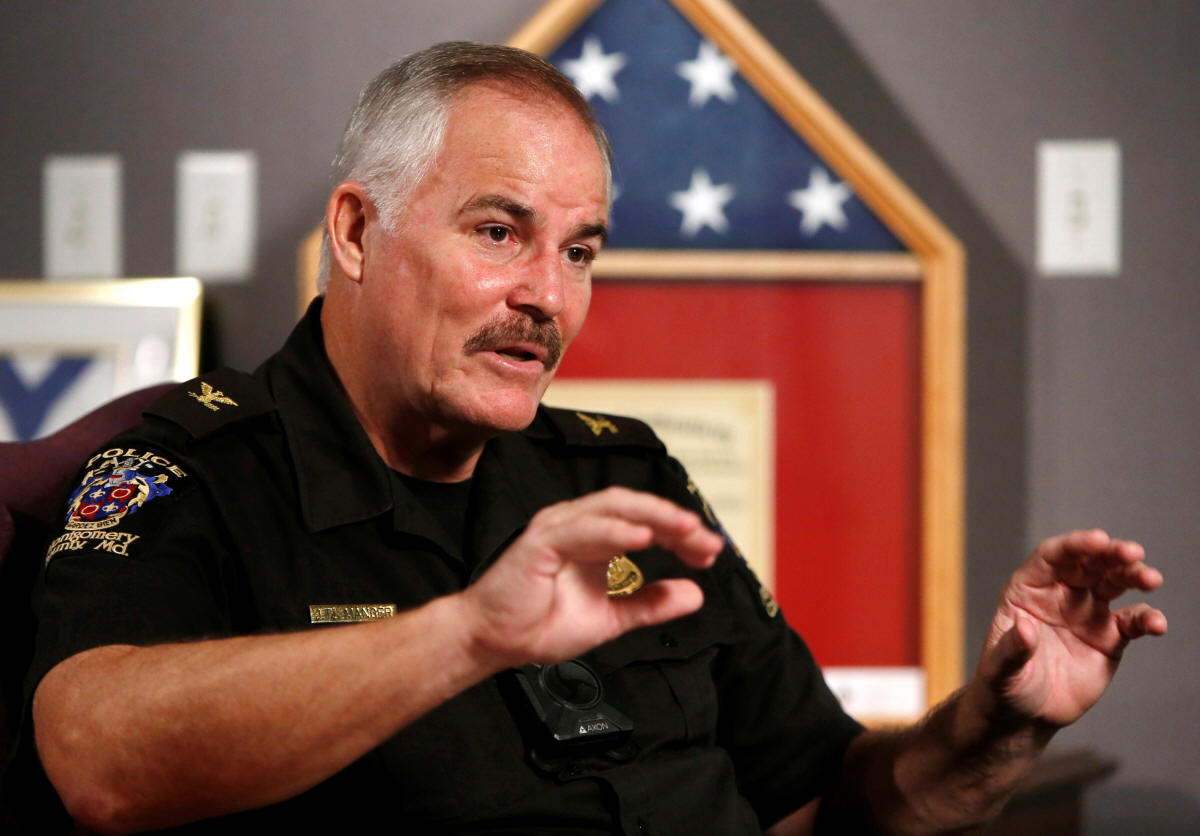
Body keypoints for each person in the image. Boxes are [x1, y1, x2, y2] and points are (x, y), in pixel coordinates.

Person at [4, 42, 1166, 835]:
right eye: (499, 231)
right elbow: (98, 758)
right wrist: (464, 634)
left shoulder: (620, 472)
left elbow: (831, 798)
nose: (548, 296)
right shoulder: (185, 469)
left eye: (580, 250)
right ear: (356, 230)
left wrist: (998, 722)